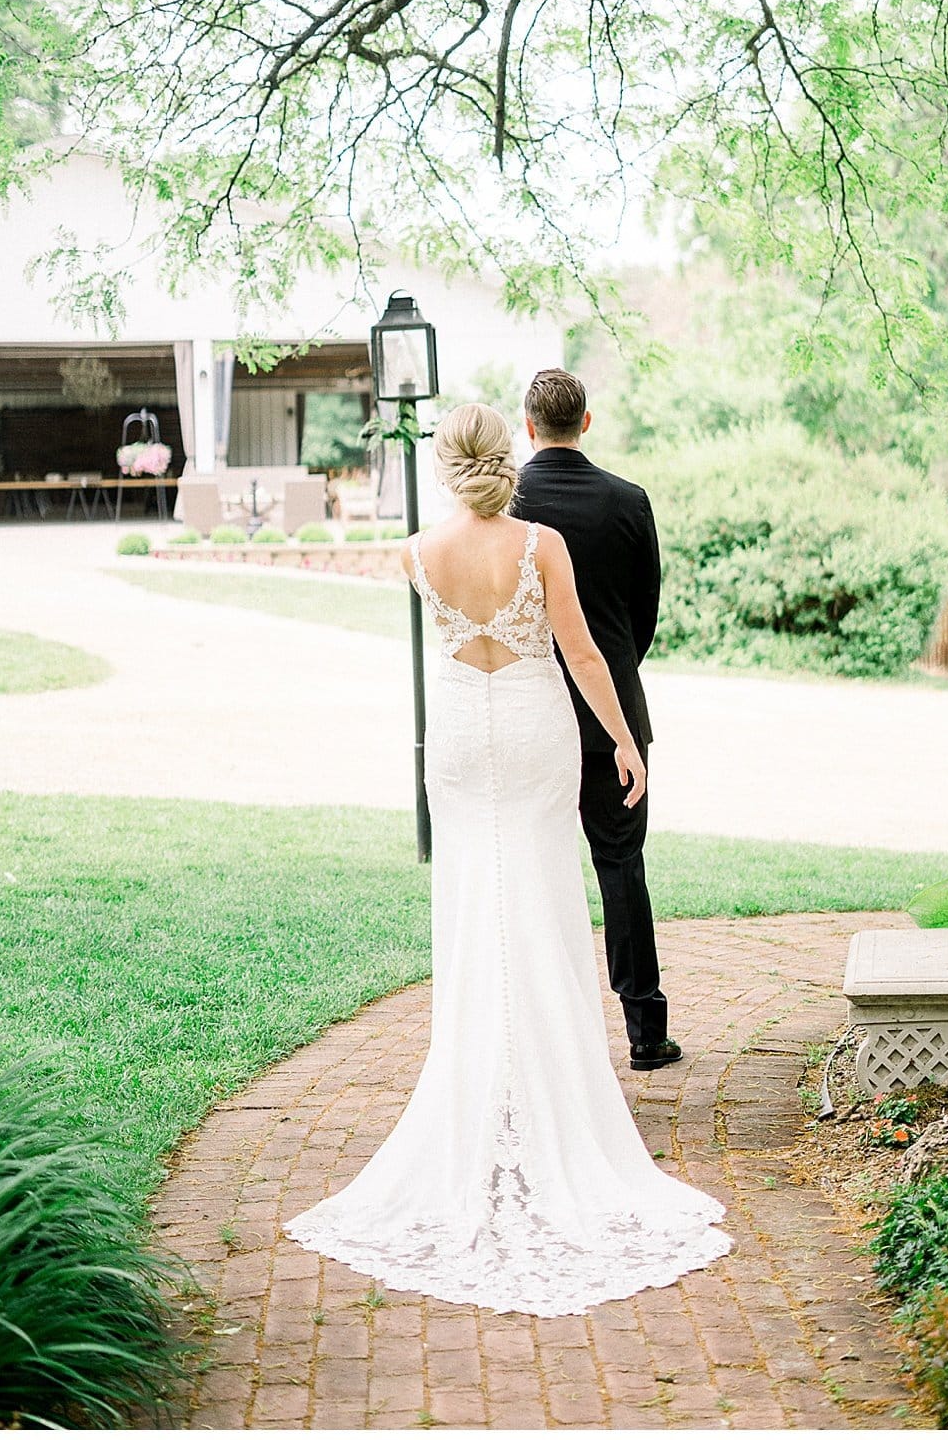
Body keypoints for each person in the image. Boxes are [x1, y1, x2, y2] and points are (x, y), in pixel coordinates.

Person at [284, 403, 730, 1316]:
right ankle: (551, 1092)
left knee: (471, 903)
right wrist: (623, 741)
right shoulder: (538, 547)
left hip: (456, 732)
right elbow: (585, 652)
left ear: (448, 465)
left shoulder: (414, 553)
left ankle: (478, 1085)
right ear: (508, 458)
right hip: (533, 725)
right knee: (541, 899)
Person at [512, 367, 678, 1069]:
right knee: (621, 869)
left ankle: (543, 1040)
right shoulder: (628, 501)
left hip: (529, 715)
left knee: (532, 872)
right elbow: (645, 613)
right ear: (586, 421)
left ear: (527, 427)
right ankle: (646, 1034)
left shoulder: (505, 504)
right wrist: (612, 685)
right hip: (615, 721)